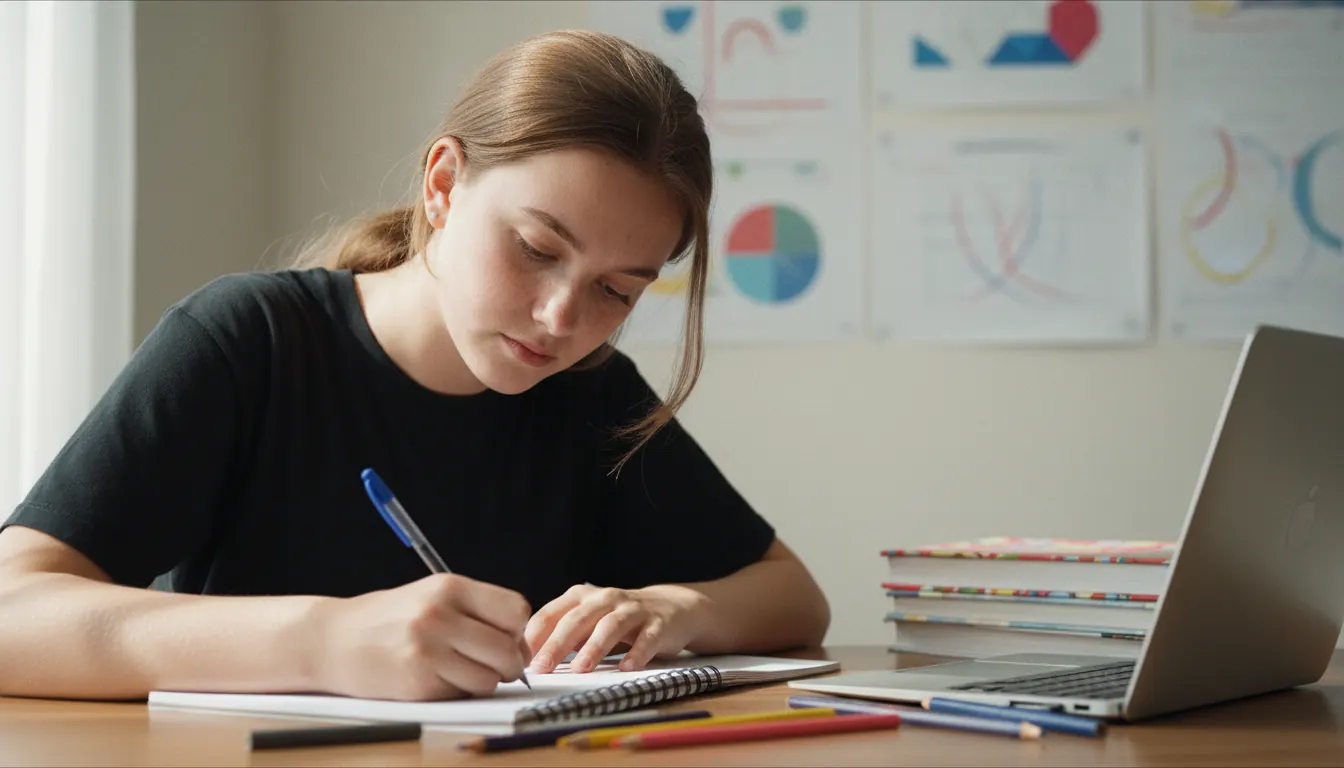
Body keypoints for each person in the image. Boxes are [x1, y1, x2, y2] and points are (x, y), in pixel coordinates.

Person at [0, 30, 830, 703]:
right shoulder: (249, 341)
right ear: (443, 184)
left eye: (617, 290)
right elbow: (13, 613)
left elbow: (794, 596)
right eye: (537, 249)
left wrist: (671, 608)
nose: (561, 319)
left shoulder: (589, 390)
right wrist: (323, 642)